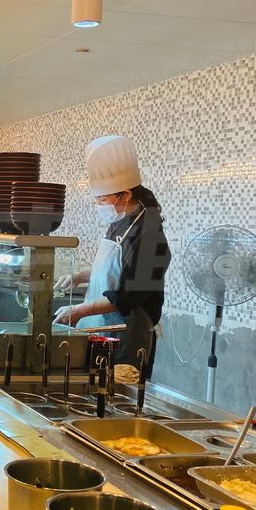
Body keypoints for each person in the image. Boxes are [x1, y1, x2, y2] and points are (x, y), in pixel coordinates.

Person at [54, 135, 171, 374]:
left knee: (118, 391)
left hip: (126, 338)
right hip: (101, 330)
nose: (99, 205)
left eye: (103, 199)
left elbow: (128, 296)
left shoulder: (149, 236)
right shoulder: (120, 222)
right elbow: (114, 270)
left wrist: (78, 310)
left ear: (125, 195)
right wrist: (80, 276)